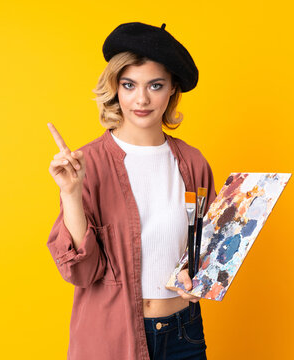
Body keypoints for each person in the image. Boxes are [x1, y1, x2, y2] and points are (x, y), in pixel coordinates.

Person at [47, 22, 217, 360]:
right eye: (129, 85)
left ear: (172, 91)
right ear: (115, 89)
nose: (141, 99)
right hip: (111, 337)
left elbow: (209, 250)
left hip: (184, 335)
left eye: (155, 85)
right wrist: (71, 193)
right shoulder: (88, 164)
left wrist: (198, 275)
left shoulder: (193, 163)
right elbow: (82, 272)